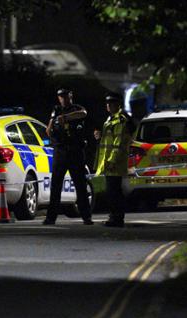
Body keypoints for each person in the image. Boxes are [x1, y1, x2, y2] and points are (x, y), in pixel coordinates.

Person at [43, 88, 93, 225]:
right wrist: (53, 126)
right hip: (61, 151)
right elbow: (48, 129)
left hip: (75, 151)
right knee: (55, 186)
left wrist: (65, 118)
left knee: (80, 185)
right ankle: (50, 218)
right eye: (60, 97)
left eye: (65, 96)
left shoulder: (77, 108)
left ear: (70, 96)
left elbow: (83, 113)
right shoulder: (56, 110)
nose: (63, 99)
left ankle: (86, 217)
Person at [94, 92, 136, 227]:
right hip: (109, 162)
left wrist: (111, 161)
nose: (108, 106)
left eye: (111, 103)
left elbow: (118, 143)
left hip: (115, 163)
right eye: (107, 104)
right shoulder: (110, 119)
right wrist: (99, 137)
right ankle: (114, 216)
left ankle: (117, 218)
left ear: (118, 105)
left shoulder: (120, 120)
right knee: (112, 191)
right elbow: (109, 141)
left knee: (114, 192)